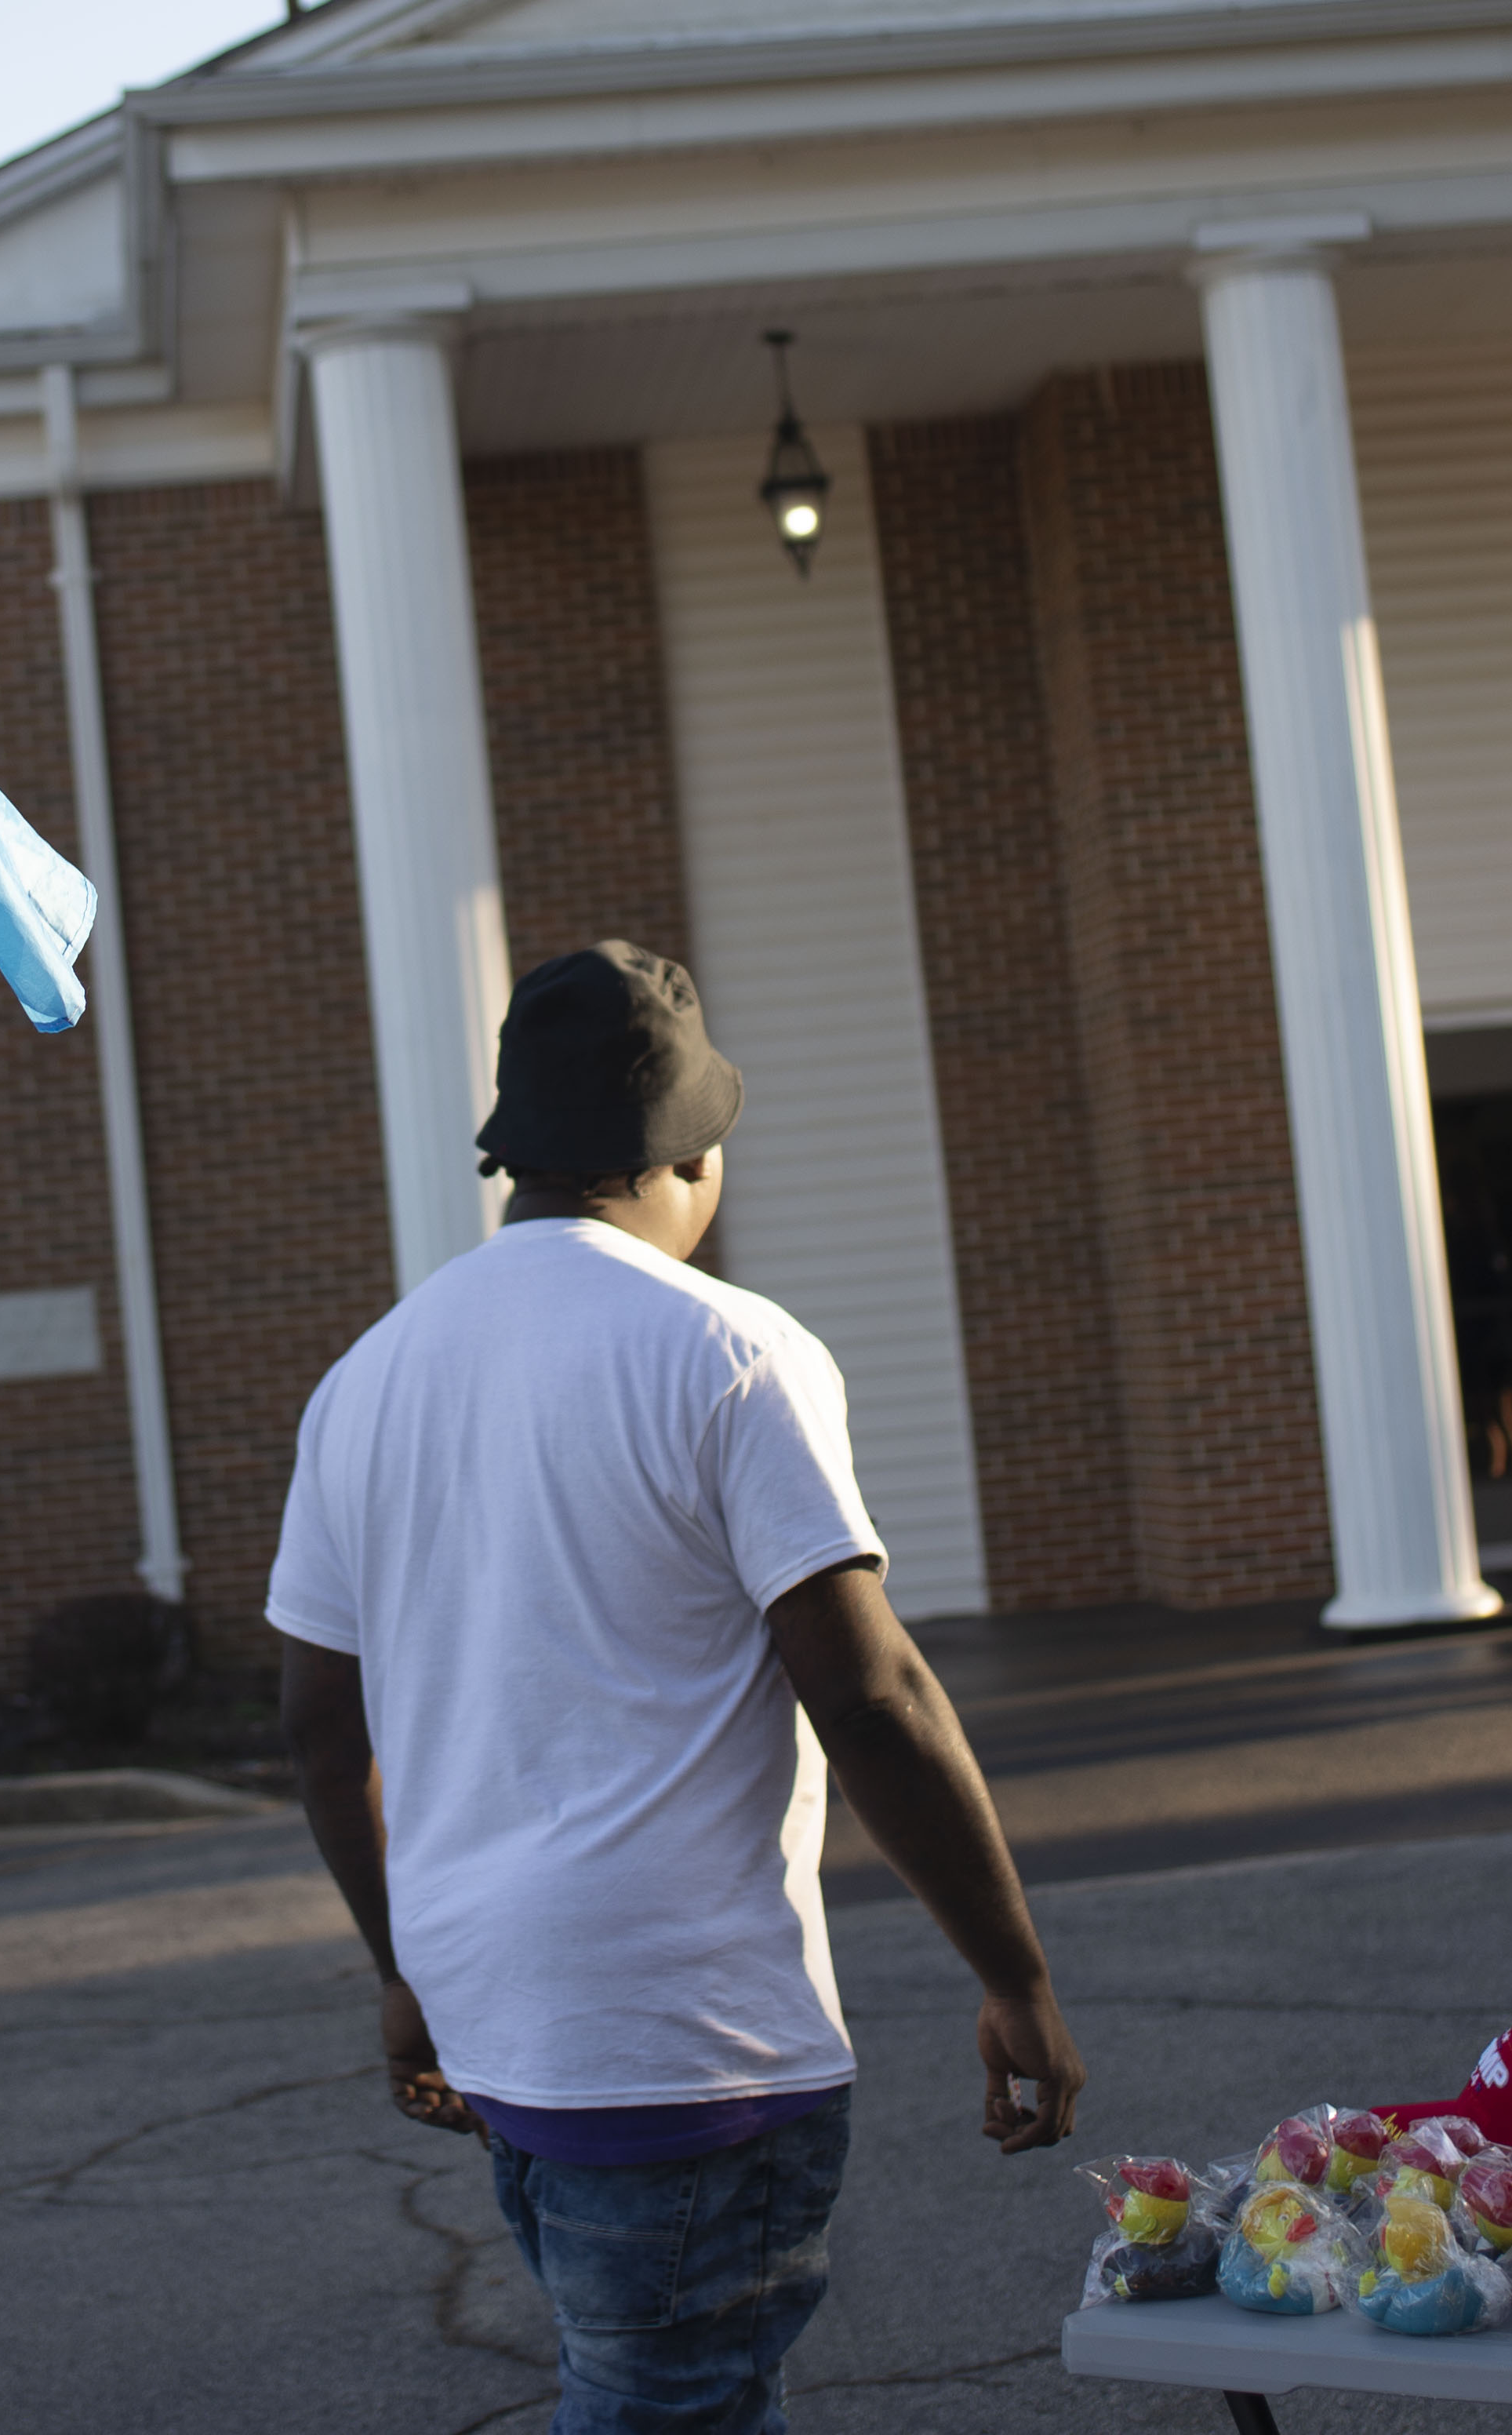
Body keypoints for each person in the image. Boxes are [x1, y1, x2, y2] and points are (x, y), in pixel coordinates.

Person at [270, 941, 1083, 2433]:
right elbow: (875, 1698)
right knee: (670, 2407)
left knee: (653, 2392)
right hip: (677, 2043)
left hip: (501, 2026)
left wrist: (406, 1972)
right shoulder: (729, 1351)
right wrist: (1014, 1978)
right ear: (686, 1157)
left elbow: (323, 1732)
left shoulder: (364, 1381)